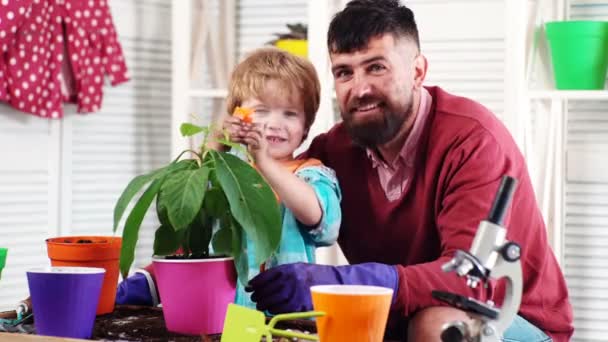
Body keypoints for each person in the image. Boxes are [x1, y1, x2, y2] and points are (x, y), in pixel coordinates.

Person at [242, 1, 574, 341]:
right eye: (344, 72)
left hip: (510, 319)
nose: (360, 88)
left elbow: (467, 282)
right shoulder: (335, 151)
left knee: (439, 325)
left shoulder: (473, 142)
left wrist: (336, 282)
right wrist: (224, 149)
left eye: (376, 67)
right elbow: (268, 183)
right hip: (398, 317)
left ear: (417, 72)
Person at [115, 47, 342, 310]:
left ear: (305, 129)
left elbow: (323, 222)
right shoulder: (229, 174)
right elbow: (195, 199)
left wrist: (265, 161)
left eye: (290, 114)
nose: (274, 123)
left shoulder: (310, 174)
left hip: (285, 319)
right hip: (220, 317)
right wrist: (219, 140)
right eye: (260, 111)